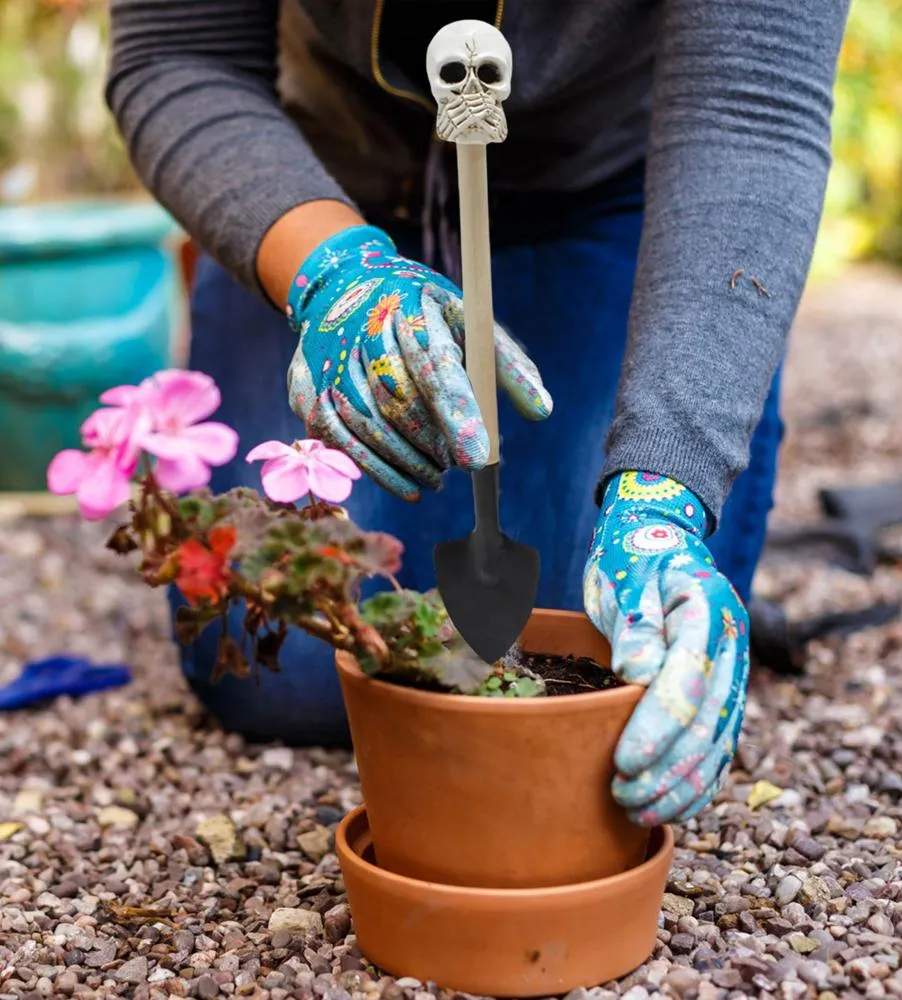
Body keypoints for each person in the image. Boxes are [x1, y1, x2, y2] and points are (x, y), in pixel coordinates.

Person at [106, 0, 849, 827]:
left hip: (613, 199)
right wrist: (335, 275)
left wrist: (663, 490)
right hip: (311, 188)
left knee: (603, 669)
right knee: (288, 673)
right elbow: (177, 53)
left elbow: (752, 109)